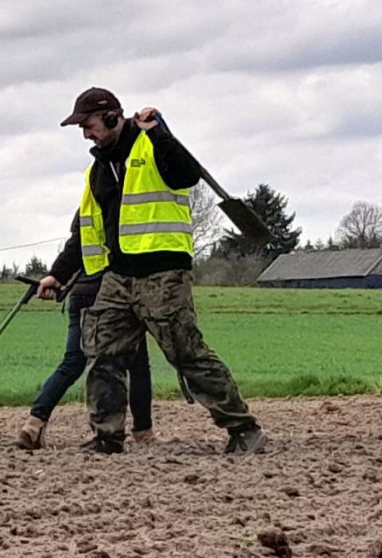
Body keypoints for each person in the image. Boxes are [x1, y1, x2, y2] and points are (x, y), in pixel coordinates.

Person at [48, 87, 266, 455]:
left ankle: (243, 428)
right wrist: (58, 273)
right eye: (81, 127)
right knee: (102, 353)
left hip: (163, 273)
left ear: (114, 117)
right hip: (118, 276)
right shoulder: (98, 171)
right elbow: (86, 228)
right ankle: (107, 436)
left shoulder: (155, 144)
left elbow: (186, 176)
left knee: (187, 354)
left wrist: (160, 133)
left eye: (89, 124)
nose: (85, 133)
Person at [16, 243, 155, 450]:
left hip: (81, 291)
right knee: (137, 362)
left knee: (72, 363)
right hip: (115, 294)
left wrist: (56, 275)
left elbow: (75, 246)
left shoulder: (85, 211)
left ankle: (34, 424)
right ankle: (143, 432)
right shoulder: (121, 210)